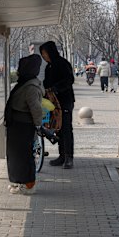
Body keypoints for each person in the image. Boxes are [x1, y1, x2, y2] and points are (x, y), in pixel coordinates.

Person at [4, 55, 44, 195]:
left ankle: (28, 184)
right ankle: (18, 182)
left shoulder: (30, 86)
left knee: (24, 156)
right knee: (16, 155)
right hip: (17, 125)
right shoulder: (26, 82)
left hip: (23, 126)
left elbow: (35, 108)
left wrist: (38, 125)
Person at [39, 41, 75, 169]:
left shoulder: (62, 63)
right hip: (53, 103)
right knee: (58, 128)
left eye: (45, 53)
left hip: (65, 101)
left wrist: (56, 88)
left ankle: (69, 157)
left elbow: (69, 80)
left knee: (66, 128)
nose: (44, 56)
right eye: (42, 54)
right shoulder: (49, 66)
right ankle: (62, 156)